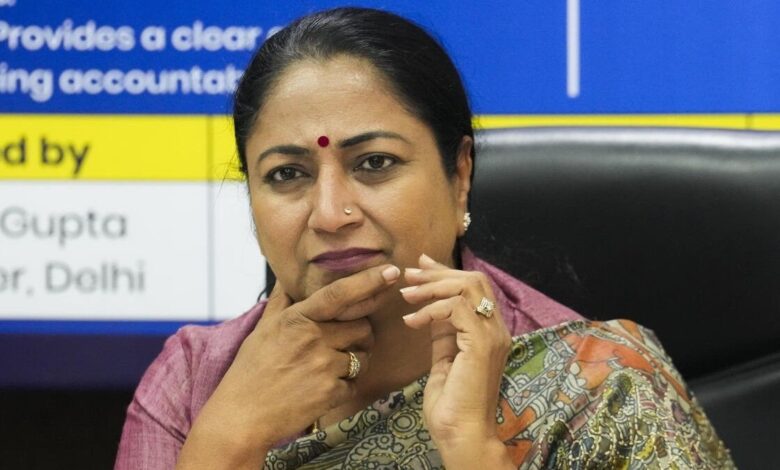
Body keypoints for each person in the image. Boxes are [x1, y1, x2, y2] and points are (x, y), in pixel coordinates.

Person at [115, 7, 734, 469]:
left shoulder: (600, 385)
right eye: (287, 175)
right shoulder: (195, 383)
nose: (329, 213)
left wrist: (472, 447)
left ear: (459, 175)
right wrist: (228, 441)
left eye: (374, 163)